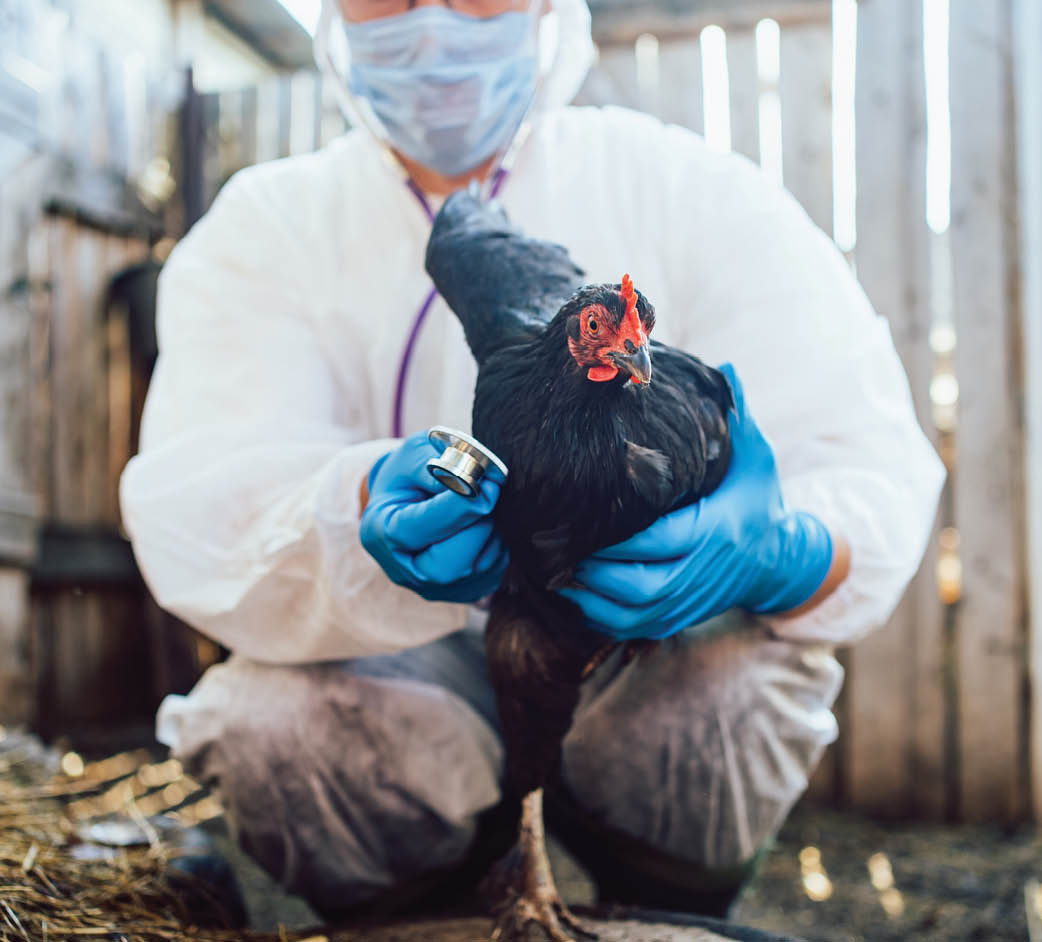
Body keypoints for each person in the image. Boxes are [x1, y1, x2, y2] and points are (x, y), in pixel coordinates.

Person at [119, 0, 945, 921]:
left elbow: (871, 465)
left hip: (644, 652)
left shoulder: (687, 184)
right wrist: (351, 500)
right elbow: (196, 497)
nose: (432, 21)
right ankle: (421, 911)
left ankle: (668, 905)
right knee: (271, 727)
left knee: (733, 693)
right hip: (400, 666)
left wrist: (780, 548)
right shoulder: (265, 227)